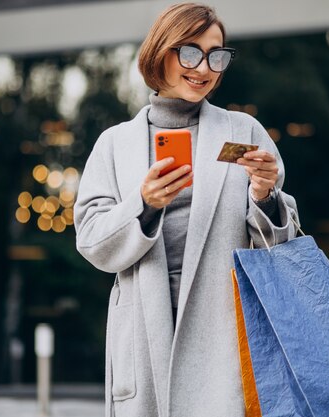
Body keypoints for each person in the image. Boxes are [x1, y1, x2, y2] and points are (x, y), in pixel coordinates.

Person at [74, 3, 299, 417]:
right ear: (161, 51)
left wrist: (266, 195)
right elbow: (91, 240)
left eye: (217, 55)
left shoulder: (242, 132)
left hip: (222, 328)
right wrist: (144, 205)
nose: (205, 67)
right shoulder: (115, 144)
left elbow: (280, 246)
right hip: (144, 329)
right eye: (190, 51)